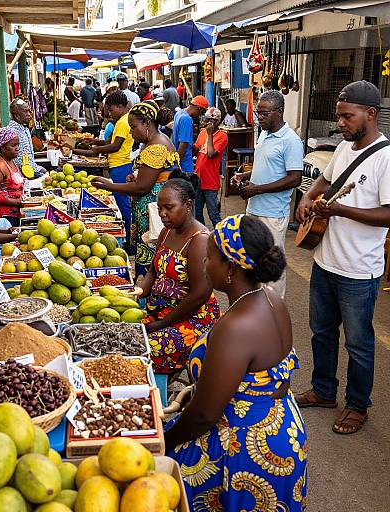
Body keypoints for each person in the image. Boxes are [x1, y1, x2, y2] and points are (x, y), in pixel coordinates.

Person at [165, 214, 307, 510]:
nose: (203, 264)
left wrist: (165, 442)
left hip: (244, 448)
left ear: (230, 268)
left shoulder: (235, 327)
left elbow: (204, 415)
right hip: (282, 430)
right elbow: (273, 379)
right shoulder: (270, 299)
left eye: (209, 258)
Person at [294, 80, 390, 435]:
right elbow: (324, 182)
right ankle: (323, 390)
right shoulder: (344, 149)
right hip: (324, 260)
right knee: (321, 332)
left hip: (359, 270)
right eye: (339, 116)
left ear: (370, 114)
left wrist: (343, 212)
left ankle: (358, 404)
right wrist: (307, 200)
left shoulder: (385, 157)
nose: (341, 123)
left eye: (348, 117)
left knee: (359, 343)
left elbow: (389, 214)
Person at [136, 173, 220, 374]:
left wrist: (162, 324)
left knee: (143, 349)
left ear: (188, 205)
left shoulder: (199, 240)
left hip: (191, 319)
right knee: (123, 333)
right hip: (161, 314)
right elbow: (153, 271)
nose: (163, 214)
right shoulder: (166, 232)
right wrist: (139, 290)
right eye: (160, 209)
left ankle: (160, 395)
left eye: (169, 208)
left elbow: (199, 295)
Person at [92, 100, 181, 275]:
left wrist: (110, 186)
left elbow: (142, 187)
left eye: (133, 127)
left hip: (154, 210)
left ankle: (148, 295)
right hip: (157, 205)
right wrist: (136, 174)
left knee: (152, 260)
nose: (131, 133)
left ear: (146, 123)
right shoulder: (159, 140)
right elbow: (152, 175)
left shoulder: (156, 146)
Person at [232, 90, 303, 298]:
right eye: (258, 113)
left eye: (264, 114)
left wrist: (258, 189)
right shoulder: (264, 133)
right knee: (251, 259)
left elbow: (294, 178)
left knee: (272, 267)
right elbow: (266, 166)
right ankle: (255, 305)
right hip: (253, 208)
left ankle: (274, 310)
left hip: (272, 214)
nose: (259, 118)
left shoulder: (291, 140)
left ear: (279, 112)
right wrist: (245, 177)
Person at [74, 91, 134, 240]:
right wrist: (95, 142)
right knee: (121, 202)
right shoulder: (124, 120)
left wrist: (96, 150)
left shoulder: (122, 123)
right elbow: (110, 142)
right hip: (120, 164)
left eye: (111, 109)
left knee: (123, 205)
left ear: (120, 107)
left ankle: (129, 238)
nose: (109, 113)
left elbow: (115, 146)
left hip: (121, 165)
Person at [193, 107, 228, 227]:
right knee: (196, 213)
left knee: (213, 214)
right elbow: (196, 150)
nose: (208, 123)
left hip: (210, 182)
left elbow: (210, 154)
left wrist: (209, 135)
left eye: (211, 120)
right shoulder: (203, 132)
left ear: (217, 122)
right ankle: (204, 238)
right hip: (198, 179)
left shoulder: (222, 136)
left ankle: (221, 239)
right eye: (206, 119)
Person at [0, 127, 25, 226]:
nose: (17, 148)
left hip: (17, 212)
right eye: (13, 145)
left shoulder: (11, 161)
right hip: (5, 217)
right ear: (2, 147)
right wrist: (15, 202)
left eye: (18, 145)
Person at [7, 98, 45, 178]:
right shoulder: (12, 132)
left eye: (29, 111)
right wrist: (39, 171)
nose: (29, 114)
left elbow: (29, 158)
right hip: (22, 177)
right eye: (25, 111)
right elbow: (21, 162)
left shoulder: (24, 129)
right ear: (16, 114)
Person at [172, 95, 209, 173]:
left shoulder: (179, 113)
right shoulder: (186, 119)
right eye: (201, 113)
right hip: (184, 165)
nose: (199, 116)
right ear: (199, 108)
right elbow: (183, 144)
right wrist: (177, 165)